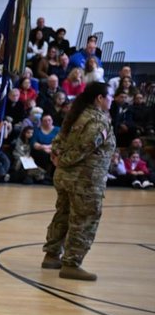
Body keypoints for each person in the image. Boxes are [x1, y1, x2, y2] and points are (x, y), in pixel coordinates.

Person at [41, 82, 115, 281]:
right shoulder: (99, 120)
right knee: (84, 219)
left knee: (63, 214)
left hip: (66, 177)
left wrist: (58, 159)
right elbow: (86, 147)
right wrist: (63, 161)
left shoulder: (76, 114)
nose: (112, 100)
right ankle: (71, 264)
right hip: (85, 180)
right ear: (99, 98)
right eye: (109, 96)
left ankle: (52, 255)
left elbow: (58, 140)